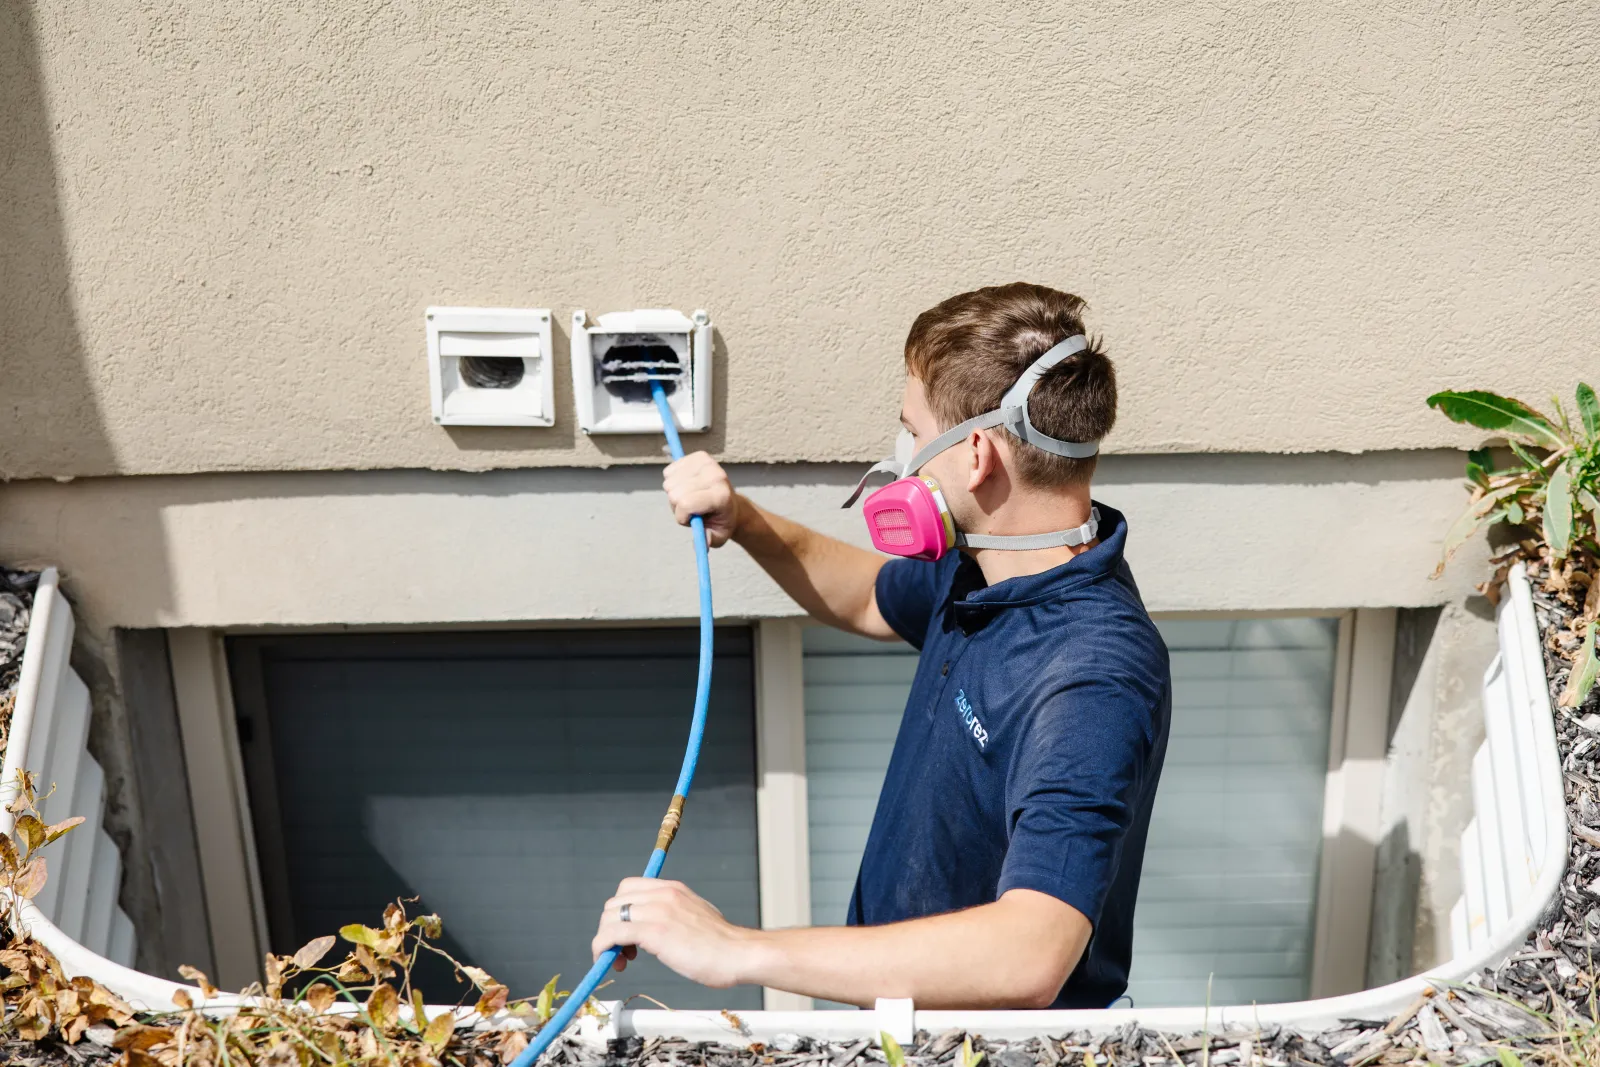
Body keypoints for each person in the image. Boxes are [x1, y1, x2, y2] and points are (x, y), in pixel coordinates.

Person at [589, 282, 1172, 1010]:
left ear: (978, 455)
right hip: (906, 1016)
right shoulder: (984, 568)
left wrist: (734, 946)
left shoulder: (1092, 672)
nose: (904, 458)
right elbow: (867, 594)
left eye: (912, 431)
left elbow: (1033, 950)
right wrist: (742, 519)